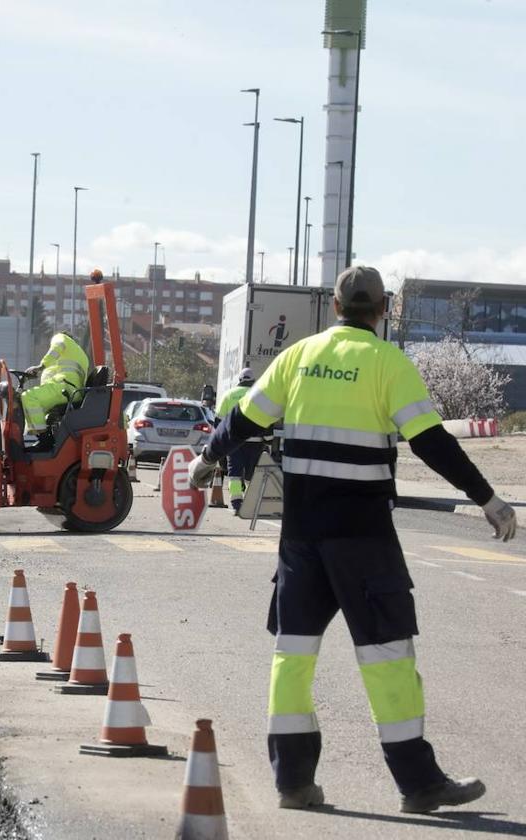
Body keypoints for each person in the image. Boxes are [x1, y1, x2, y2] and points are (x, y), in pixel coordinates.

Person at [188, 266, 517, 814]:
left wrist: (206, 460)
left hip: (300, 538)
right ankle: (419, 783)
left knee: (292, 656)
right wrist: (488, 497)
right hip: (363, 536)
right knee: (388, 655)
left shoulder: (297, 357)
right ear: (382, 307)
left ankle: (293, 782)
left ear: (336, 306)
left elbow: (243, 419)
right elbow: (432, 442)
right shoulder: (387, 362)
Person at [19, 330, 89, 433]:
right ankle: (31, 437)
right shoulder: (80, 355)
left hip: (64, 387)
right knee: (37, 410)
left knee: (29, 397)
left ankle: (40, 436)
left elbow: (58, 346)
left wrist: (41, 366)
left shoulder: (61, 337)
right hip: (72, 390)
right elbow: (54, 373)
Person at [215, 368, 265, 512]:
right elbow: (266, 419)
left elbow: (218, 421)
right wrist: (268, 439)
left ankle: (237, 504)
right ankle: (250, 504)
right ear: (253, 380)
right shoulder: (258, 395)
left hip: (234, 442)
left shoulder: (229, 395)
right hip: (255, 442)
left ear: (240, 379)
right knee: (252, 474)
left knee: (235, 473)